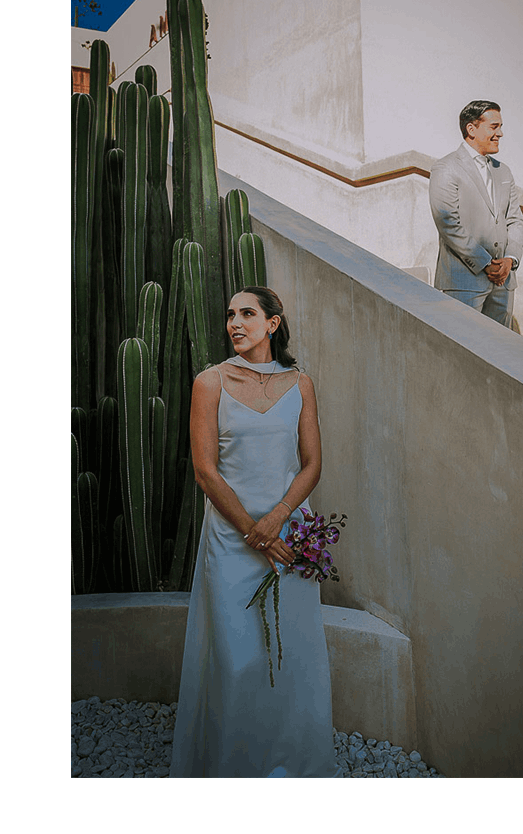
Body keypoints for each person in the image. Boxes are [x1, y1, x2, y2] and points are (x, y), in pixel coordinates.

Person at [170, 286, 337, 777]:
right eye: (230, 315)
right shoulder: (210, 383)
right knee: (238, 657)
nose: (235, 323)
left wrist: (280, 516)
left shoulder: (301, 384)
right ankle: (233, 773)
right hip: (231, 538)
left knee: (294, 656)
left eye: (248, 314)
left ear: (273, 324)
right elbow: (205, 470)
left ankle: (291, 765)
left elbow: (313, 464)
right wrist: (254, 531)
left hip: (292, 540)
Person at [429, 100, 523, 326]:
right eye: (494, 127)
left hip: (503, 284)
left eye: (500, 127)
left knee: (500, 352)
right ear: (471, 129)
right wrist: (485, 263)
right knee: (460, 352)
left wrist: (510, 261)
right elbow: (448, 224)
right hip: (463, 283)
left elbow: (515, 220)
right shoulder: (446, 168)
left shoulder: (503, 171)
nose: (500, 133)